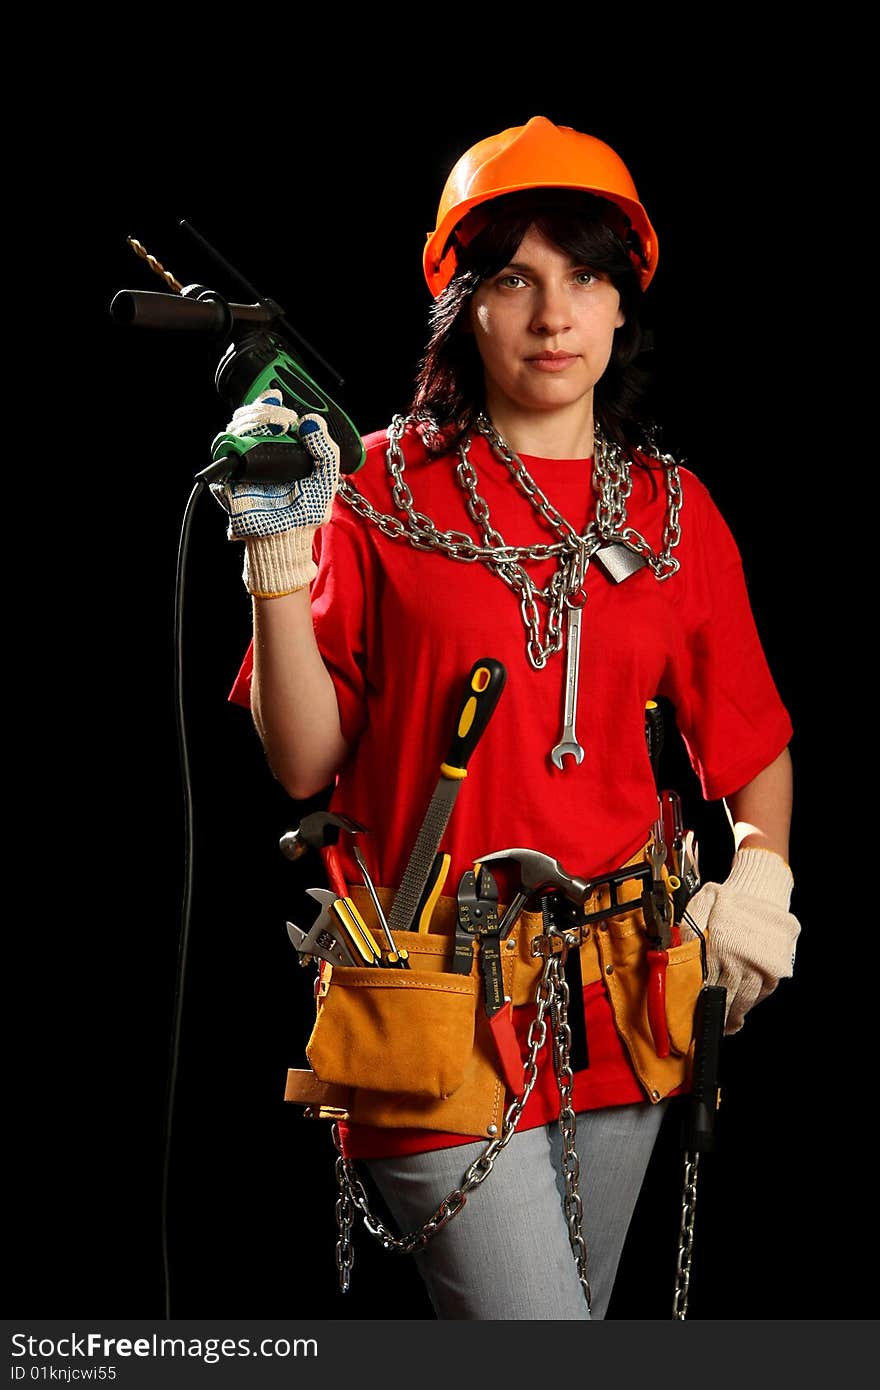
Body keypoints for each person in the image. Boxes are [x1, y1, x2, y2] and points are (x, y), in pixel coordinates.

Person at [212, 116, 799, 1320]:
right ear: (460, 306)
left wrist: (760, 881)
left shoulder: (673, 512)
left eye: (583, 277)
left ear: (622, 305)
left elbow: (752, 748)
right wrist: (279, 559)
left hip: (624, 1001)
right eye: (514, 278)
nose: (552, 315)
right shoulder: (371, 488)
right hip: (428, 1004)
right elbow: (302, 758)